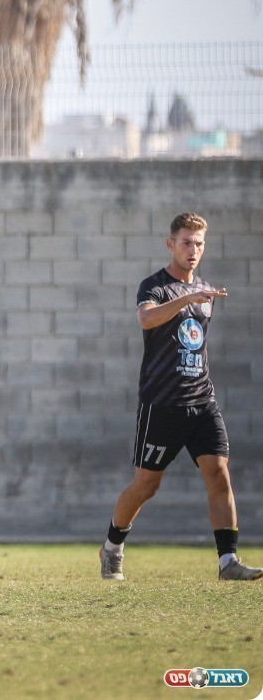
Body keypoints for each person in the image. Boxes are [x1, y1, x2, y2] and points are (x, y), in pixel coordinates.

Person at [100, 212, 261, 582]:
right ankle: (111, 547)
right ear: (171, 244)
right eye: (187, 242)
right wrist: (186, 297)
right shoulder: (155, 286)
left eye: (199, 244)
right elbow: (146, 319)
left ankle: (227, 561)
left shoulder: (206, 291)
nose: (194, 250)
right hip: (162, 403)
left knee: (218, 472)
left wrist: (195, 296)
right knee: (147, 485)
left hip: (202, 400)